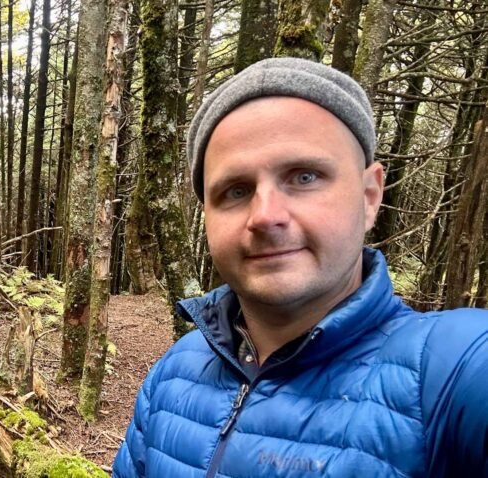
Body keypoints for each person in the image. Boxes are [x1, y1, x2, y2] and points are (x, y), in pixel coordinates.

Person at [111, 57, 488, 478]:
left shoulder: (453, 370)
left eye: (304, 177)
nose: (265, 215)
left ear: (368, 196)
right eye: (236, 190)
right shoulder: (173, 374)